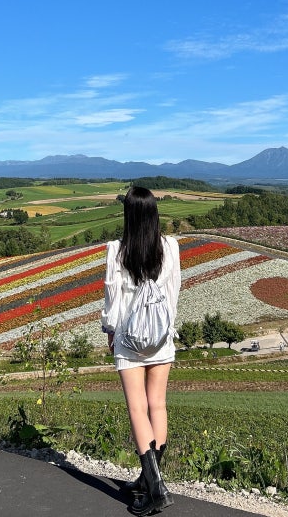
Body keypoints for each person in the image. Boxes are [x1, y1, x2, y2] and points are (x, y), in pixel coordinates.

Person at [101, 186, 181, 515]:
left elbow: (113, 300)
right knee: (157, 405)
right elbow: (173, 292)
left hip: (129, 339)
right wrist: (165, 329)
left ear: (129, 216)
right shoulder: (171, 247)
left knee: (138, 409)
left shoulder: (117, 251)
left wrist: (110, 332)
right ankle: (151, 480)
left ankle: (156, 488)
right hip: (161, 338)